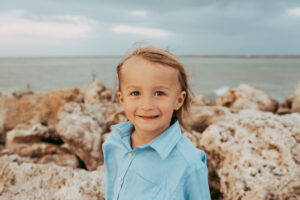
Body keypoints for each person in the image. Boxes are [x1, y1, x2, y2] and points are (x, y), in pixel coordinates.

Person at [102, 46, 211, 200]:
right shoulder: (114, 143)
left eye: (159, 93)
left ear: (178, 100)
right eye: (135, 93)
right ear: (122, 99)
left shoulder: (189, 163)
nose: (147, 105)